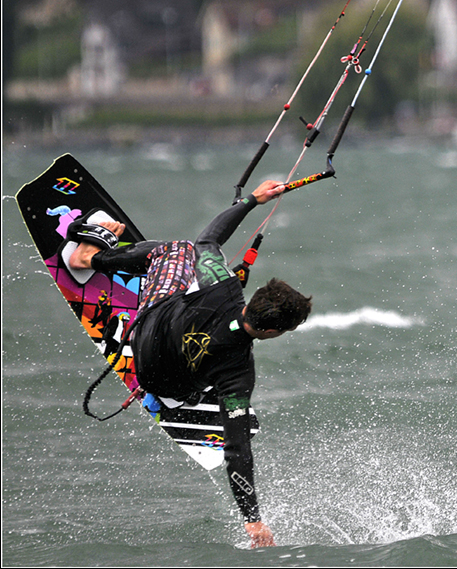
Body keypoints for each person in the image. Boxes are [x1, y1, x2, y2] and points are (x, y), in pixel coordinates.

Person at [67, 180, 311, 548]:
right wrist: (253, 521)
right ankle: (176, 399)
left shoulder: (222, 283)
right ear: (274, 331)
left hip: (141, 332)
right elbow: (237, 448)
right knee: (227, 404)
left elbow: (208, 241)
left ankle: (91, 259)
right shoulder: (239, 375)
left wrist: (252, 200)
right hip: (164, 385)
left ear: (256, 297)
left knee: (178, 250)